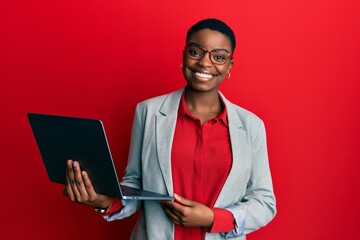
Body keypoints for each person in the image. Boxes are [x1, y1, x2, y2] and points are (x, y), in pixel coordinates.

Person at [64, 18, 276, 239]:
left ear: (229, 66)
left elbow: (264, 203)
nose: (205, 63)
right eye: (196, 52)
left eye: (219, 57)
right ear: (184, 56)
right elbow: (136, 185)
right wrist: (104, 202)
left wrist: (213, 218)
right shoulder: (148, 112)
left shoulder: (251, 126)